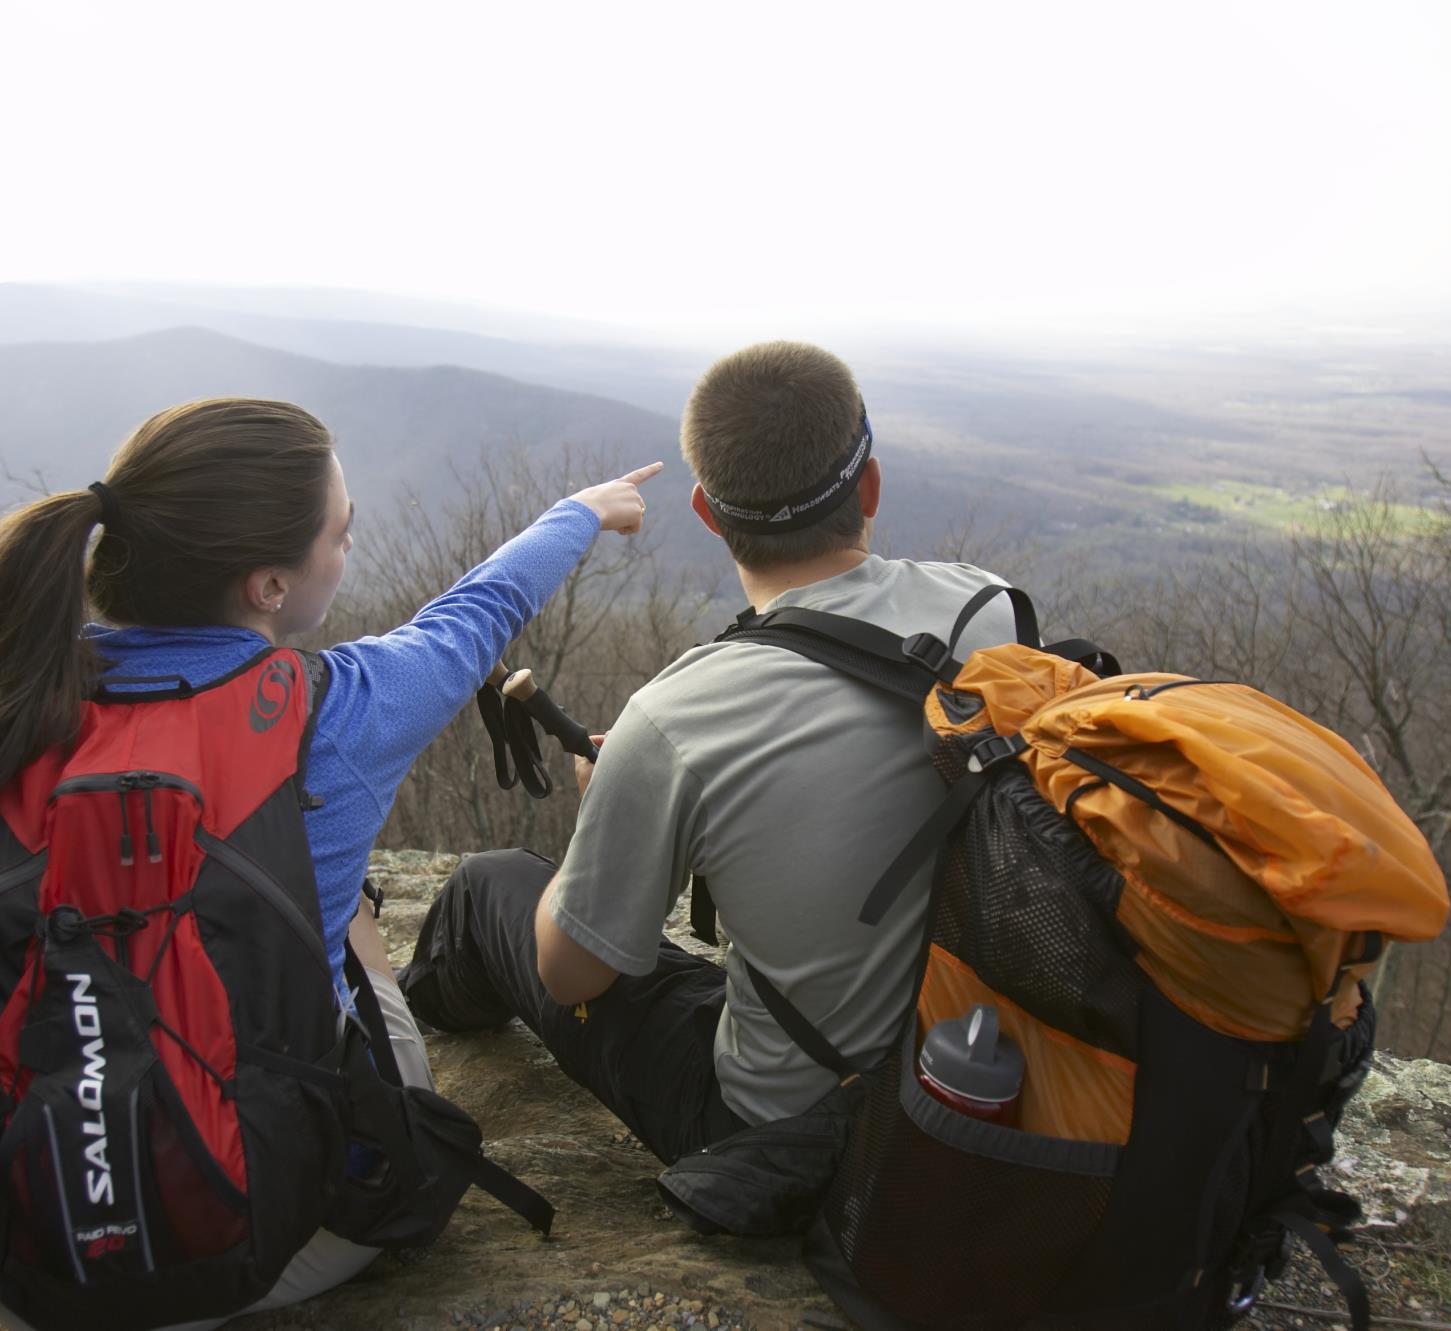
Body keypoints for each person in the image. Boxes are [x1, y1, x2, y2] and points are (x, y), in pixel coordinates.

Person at [0, 397, 658, 1330]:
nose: (347, 549)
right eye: (339, 535)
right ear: (269, 584)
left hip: (21, 1253)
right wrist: (583, 510)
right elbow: (478, 613)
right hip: (255, 1243)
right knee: (342, 914)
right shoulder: (332, 715)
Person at [399, 341, 1017, 1171]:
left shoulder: (675, 720)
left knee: (488, 883)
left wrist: (616, 803)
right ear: (871, 486)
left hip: (781, 1123)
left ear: (706, 512)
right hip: (983, 1066)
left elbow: (571, 976)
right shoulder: (999, 612)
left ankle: (397, 1033)